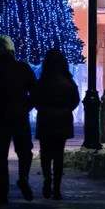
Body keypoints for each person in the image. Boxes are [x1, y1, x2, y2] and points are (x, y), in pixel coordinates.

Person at [0, 34, 36, 204]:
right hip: (19, 116)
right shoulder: (23, 69)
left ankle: (3, 192)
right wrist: (27, 106)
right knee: (25, 151)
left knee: (0, 155)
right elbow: (35, 90)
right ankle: (23, 177)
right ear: (12, 51)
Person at [33, 48, 79, 201]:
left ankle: (47, 180)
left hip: (46, 119)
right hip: (62, 120)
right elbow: (75, 100)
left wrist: (43, 109)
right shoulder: (68, 81)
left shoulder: (42, 81)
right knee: (59, 155)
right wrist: (66, 110)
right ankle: (57, 189)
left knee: (45, 154)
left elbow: (35, 99)